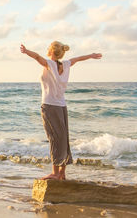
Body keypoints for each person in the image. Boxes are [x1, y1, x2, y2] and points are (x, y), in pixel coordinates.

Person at [20, 41, 102, 180]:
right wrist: (92, 55)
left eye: (48, 48)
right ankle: (62, 173)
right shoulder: (66, 64)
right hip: (62, 106)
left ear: (52, 51)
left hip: (50, 106)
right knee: (63, 139)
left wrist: (27, 51)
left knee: (54, 138)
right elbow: (79, 58)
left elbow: (37, 57)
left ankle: (55, 173)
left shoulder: (49, 64)